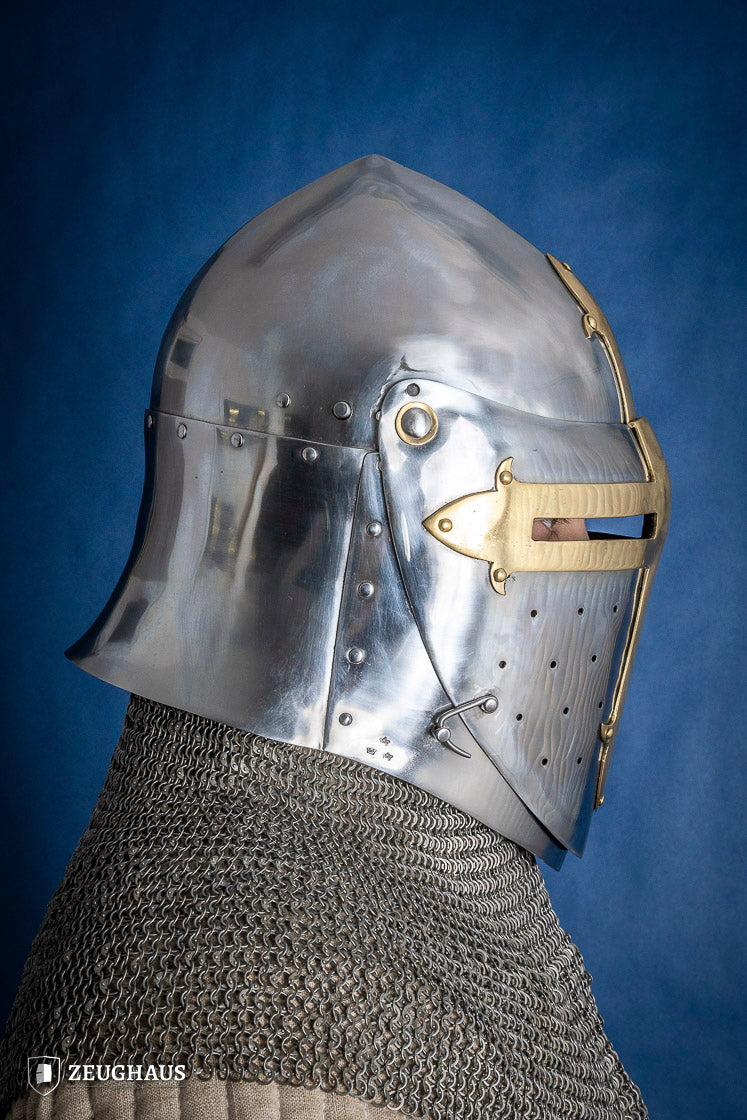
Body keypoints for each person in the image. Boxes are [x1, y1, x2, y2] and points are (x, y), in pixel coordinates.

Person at [0, 156, 669, 1120]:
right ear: (379, 518)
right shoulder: (249, 1006)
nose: (581, 556)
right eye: (546, 520)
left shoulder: (380, 907)